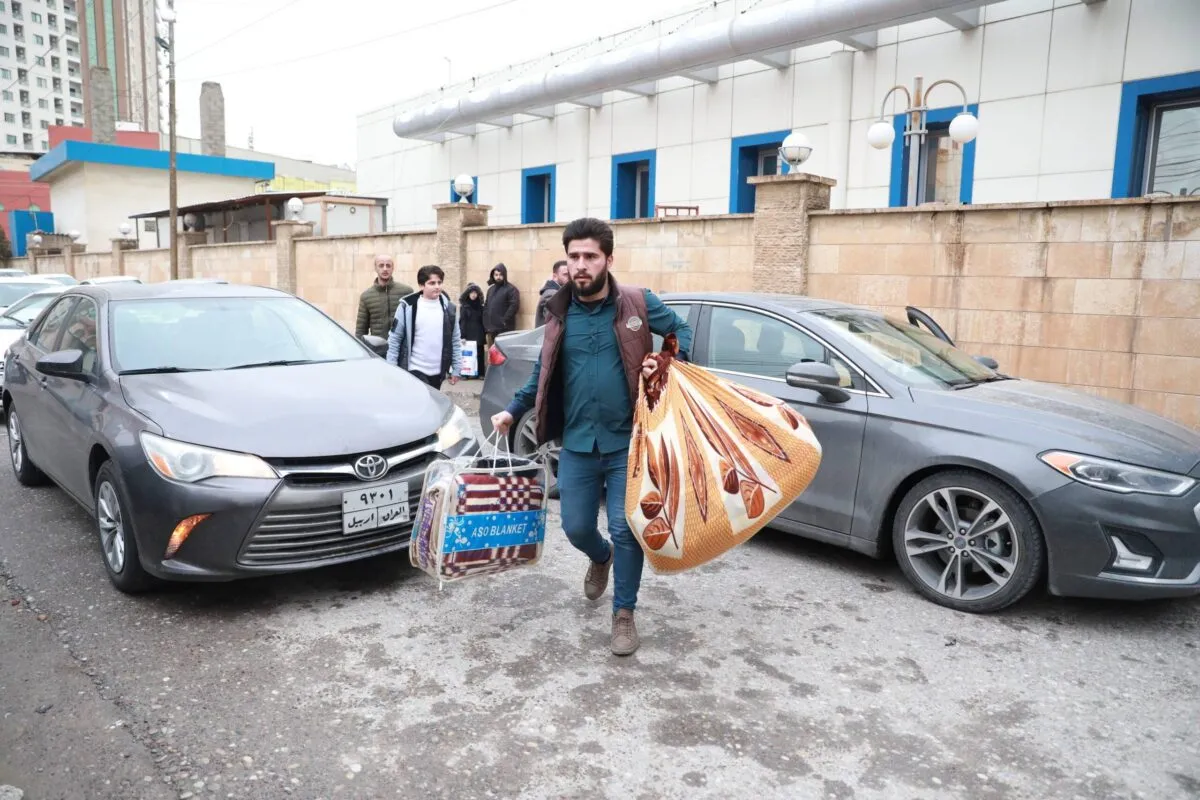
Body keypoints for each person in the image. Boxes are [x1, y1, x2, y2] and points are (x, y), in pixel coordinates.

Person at [490, 217, 692, 657]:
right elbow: (541, 378)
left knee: (625, 527)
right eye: (574, 257)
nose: (580, 265)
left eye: (590, 256)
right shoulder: (557, 316)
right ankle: (600, 558)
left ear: (608, 259)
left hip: (629, 444)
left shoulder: (638, 303)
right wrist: (511, 411)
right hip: (578, 444)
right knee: (576, 526)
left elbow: (682, 330)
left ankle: (624, 613)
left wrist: (667, 362)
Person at [385, 265, 462, 390]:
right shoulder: (407, 306)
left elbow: (455, 340)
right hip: (414, 369)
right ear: (421, 286)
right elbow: (395, 339)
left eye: (439, 282)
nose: (437, 286)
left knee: (433, 406)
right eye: (432, 283)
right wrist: (392, 367)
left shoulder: (450, 309)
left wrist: (456, 368)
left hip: (438, 372)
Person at [356, 255, 414, 339]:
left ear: (393, 268)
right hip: (377, 349)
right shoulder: (366, 296)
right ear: (375, 268)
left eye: (388, 265)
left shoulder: (407, 292)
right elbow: (360, 331)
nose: (385, 269)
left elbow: (414, 322)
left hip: (401, 348)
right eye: (381, 265)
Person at [483, 263, 520, 346]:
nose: (498, 277)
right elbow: (486, 306)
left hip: (504, 330)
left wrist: (504, 321)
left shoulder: (511, 289)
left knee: (502, 354)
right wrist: (486, 322)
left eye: (500, 275)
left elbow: (514, 306)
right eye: (496, 275)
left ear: (504, 275)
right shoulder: (490, 290)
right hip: (491, 329)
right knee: (492, 354)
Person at [458, 282, 488, 380]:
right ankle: (465, 373)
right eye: (471, 292)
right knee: (467, 354)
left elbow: (484, 320)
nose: (473, 295)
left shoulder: (481, 307)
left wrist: (485, 331)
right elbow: (462, 321)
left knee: (480, 354)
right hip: (468, 332)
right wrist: (462, 336)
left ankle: (480, 373)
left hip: (479, 332)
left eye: (475, 293)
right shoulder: (464, 307)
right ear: (468, 294)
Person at [534, 260, 569, 327]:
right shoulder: (552, 294)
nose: (569, 278)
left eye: (570, 274)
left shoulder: (559, 292)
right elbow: (555, 323)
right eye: (565, 274)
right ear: (555, 277)